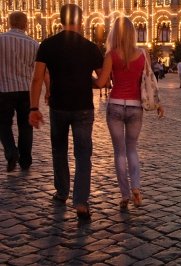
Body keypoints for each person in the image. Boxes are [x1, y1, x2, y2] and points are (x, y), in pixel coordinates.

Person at [29, 4, 104, 219]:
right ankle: (81, 201)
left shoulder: (48, 45)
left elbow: (37, 78)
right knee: (83, 154)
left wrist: (33, 108)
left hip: (58, 106)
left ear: (61, 20)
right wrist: (85, 79)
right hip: (82, 107)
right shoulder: (90, 47)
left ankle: (62, 192)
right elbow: (101, 81)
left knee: (59, 150)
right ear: (81, 20)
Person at [93, 17, 164, 210]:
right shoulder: (142, 54)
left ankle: (124, 195)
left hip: (115, 105)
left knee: (119, 152)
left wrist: (87, 76)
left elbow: (101, 83)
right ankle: (137, 189)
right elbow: (149, 81)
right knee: (132, 149)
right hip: (135, 107)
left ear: (114, 33)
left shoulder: (111, 55)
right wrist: (158, 103)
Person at [0, 12, 39, 172]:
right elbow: (38, 70)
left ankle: (11, 152)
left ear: (9, 23)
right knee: (25, 126)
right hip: (26, 90)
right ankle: (25, 160)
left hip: (4, 89)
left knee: (2, 124)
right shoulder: (33, 44)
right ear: (26, 24)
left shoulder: (1, 39)